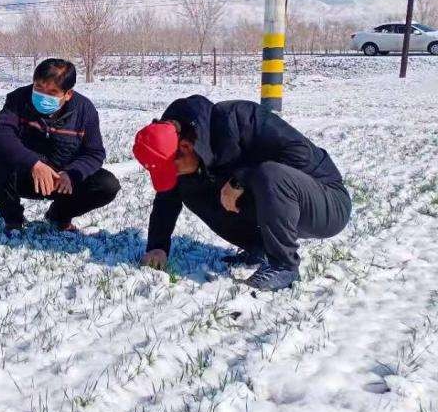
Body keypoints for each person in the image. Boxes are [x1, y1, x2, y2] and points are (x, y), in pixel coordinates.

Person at [133, 95, 352, 291]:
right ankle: (260, 248)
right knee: (189, 188)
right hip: (275, 200)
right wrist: (157, 246)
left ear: (187, 147)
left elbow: (300, 155)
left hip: (326, 202)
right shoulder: (178, 143)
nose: (175, 174)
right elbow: (167, 197)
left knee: (269, 173)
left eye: (172, 167)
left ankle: (284, 265)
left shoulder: (239, 118)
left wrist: (241, 179)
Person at [0, 58, 121, 235]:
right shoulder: (19, 99)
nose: (43, 95)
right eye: (38, 88)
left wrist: (71, 174)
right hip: (26, 174)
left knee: (107, 184)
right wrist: (34, 164)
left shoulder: (85, 110)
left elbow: (94, 153)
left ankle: (59, 216)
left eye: (52, 92)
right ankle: (13, 218)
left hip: (63, 182)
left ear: (68, 94)